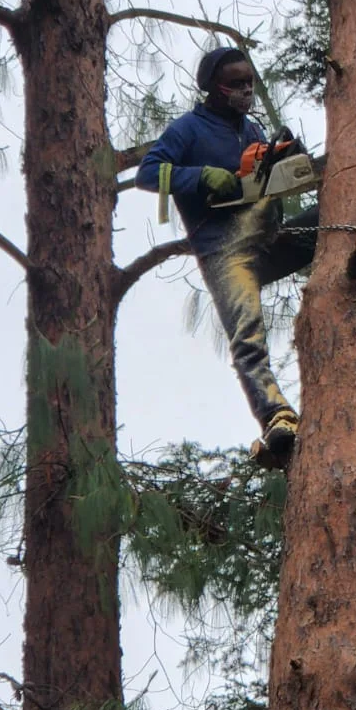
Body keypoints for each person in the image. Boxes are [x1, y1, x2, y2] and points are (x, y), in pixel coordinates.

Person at [136, 47, 317, 458]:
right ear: (212, 87)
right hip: (225, 252)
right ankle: (277, 418)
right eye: (236, 83)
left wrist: (285, 160)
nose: (245, 90)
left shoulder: (250, 131)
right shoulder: (187, 130)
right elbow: (147, 173)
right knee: (247, 336)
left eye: (248, 82)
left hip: (269, 240)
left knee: (334, 220)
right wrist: (199, 176)